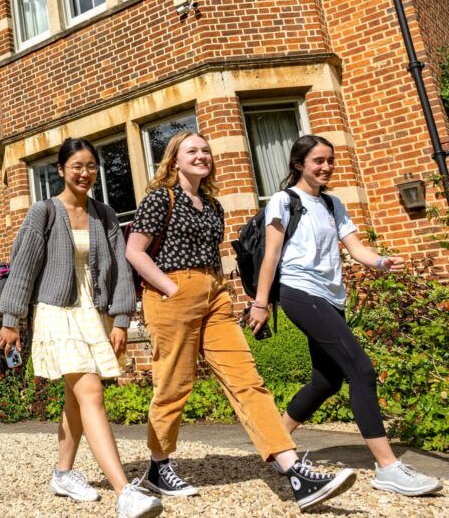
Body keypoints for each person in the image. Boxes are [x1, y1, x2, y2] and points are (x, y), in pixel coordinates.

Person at [125, 131, 356, 510]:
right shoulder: (160, 199)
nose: (202, 156)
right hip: (172, 294)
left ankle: (293, 470)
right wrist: (171, 288)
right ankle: (158, 464)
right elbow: (135, 251)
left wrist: (225, 293)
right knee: (174, 385)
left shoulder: (213, 205)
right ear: (174, 160)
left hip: (214, 295)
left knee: (247, 379)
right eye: (192, 151)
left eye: (205, 150)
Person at [251, 134, 443, 496]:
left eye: (329, 160)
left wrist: (382, 262)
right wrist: (261, 303)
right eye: (317, 161)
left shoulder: (332, 203)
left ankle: (272, 443)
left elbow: (356, 249)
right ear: (298, 165)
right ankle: (388, 468)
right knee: (361, 369)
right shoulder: (284, 200)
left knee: (327, 381)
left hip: (331, 297)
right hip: (299, 292)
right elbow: (271, 256)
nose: (326, 167)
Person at [0, 138, 163, 518]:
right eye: (77, 166)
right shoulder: (43, 212)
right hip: (57, 310)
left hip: (95, 310)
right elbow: (22, 268)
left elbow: (122, 270)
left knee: (76, 397)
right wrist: (12, 320)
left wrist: (122, 319)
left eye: (91, 166)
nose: (85, 173)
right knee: (90, 391)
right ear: (60, 169)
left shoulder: (104, 215)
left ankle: (63, 472)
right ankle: (125, 493)